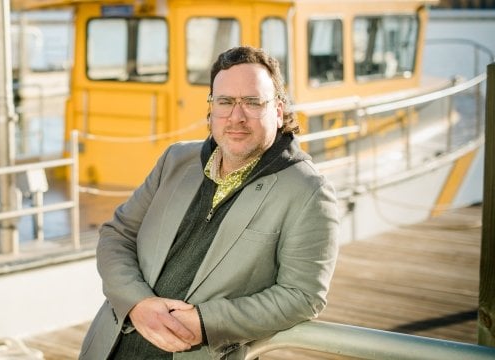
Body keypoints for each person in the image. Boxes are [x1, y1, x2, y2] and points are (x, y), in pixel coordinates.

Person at [79, 45, 340, 359]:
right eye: (225, 101)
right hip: (108, 349)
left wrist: (204, 321)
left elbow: (302, 296)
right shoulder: (175, 160)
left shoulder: (309, 191)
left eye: (253, 102)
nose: (236, 116)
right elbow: (117, 235)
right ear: (211, 107)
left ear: (279, 109)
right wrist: (137, 303)